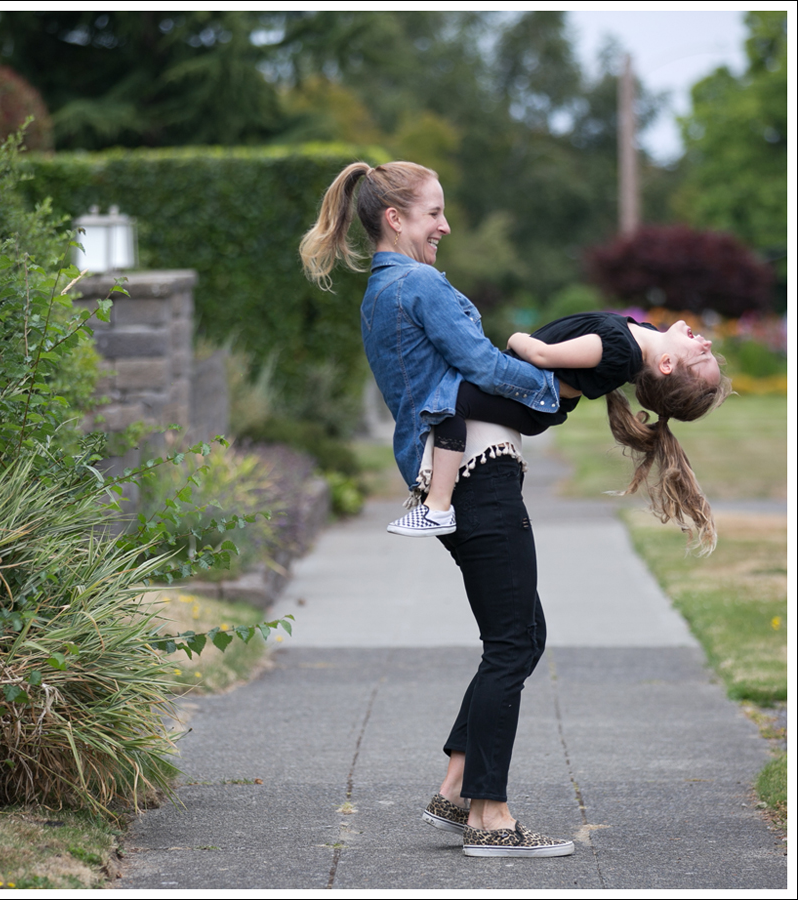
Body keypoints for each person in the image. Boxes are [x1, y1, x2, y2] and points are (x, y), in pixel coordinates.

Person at [300, 159, 580, 858]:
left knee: (524, 632)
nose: (444, 226)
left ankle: (459, 784)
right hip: (477, 472)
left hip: (449, 473)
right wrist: (559, 388)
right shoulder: (419, 283)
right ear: (394, 218)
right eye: (433, 213)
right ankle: (490, 816)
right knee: (513, 641)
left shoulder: (385, 289)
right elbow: (483, 367)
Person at [386, 311, 729, 555]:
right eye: (708, 353)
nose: (707, 342)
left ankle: (438, 506)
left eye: (702, 357)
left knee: (450, 403)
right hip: (534, 399)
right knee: (450, 396)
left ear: (667, 365)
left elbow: (540, 354)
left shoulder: (621, 349)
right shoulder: (643, 338)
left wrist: (513, 338)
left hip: (530, 403)